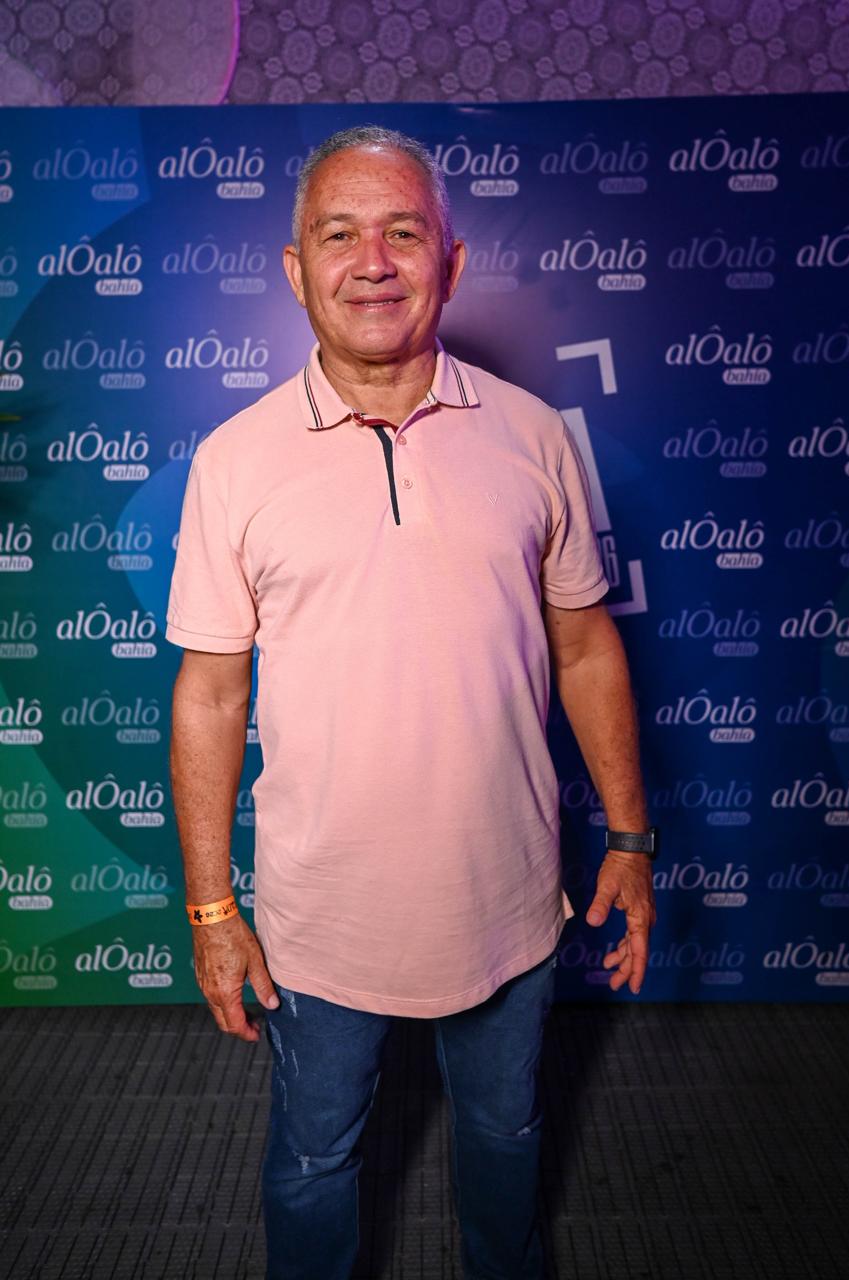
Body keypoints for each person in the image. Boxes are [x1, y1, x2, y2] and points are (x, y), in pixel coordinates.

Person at [166, 125, 657, 1280]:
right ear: (297, 269)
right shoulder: (233, 462)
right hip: (321, 915)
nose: (373, 262)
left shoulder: (534, 437)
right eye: (340, 234)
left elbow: (586, 644)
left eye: (403, 231)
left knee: (507, 1134)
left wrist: (632, 838)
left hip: (510, 897)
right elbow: (210, 692)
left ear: (451, 259)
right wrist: (211, 909)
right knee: (313, 1163)